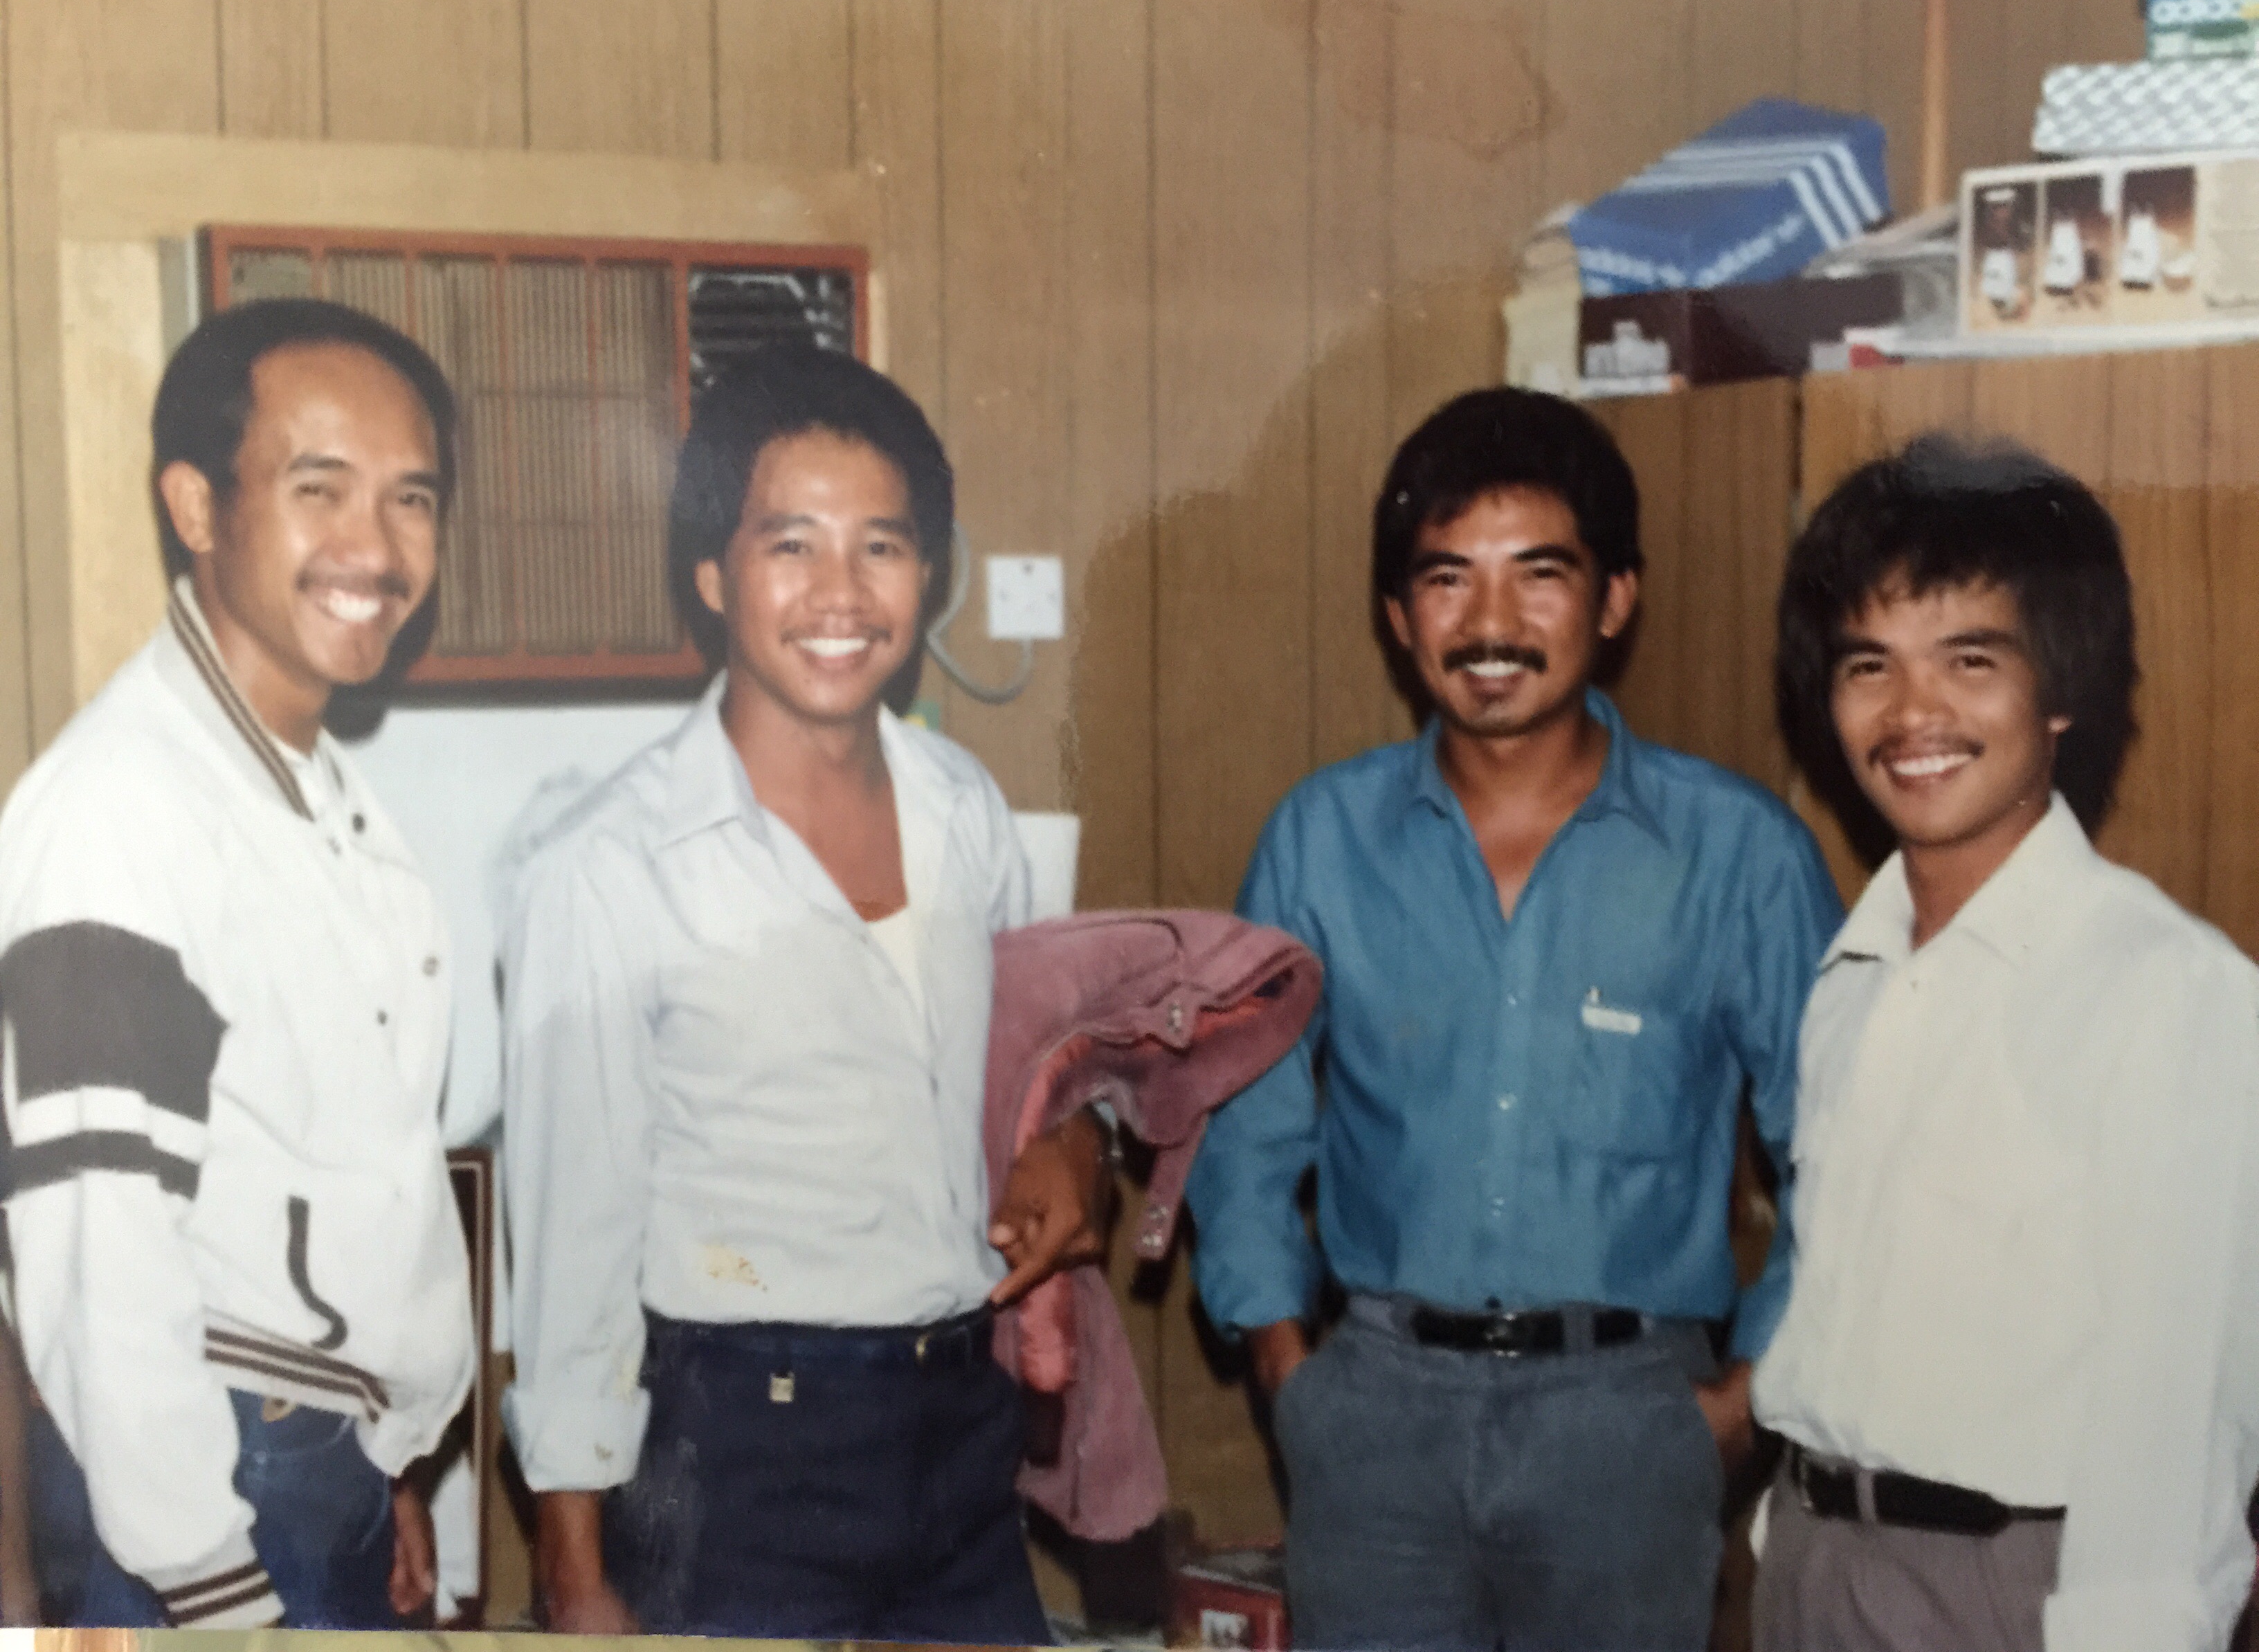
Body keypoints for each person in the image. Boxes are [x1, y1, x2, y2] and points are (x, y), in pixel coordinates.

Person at [1185, 386, 1844, 1652]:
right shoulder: (1320, 839)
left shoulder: (1739, 855)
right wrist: (1286, 1367)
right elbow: (1245, 1131)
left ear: (1615, 598)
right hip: (1374, 1420)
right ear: (1399, 616)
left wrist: (1746, 1398)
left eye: (1540, 574)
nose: (1491, 624)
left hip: (1629, 1427)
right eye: (1448, 579)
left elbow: (1844, 1148)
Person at [501, 343, 1109, 1643]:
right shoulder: (610, 865)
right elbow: (570, 1242)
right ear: (713, 576)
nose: (842, 593)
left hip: (959, 1429)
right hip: (737, 1449)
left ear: (927, 574)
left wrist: (1079, 1143)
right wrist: (575, 1565)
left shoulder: (964, 809)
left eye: (882, 547)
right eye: (792, 546)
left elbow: (1044, 1064)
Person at [0, 297, 475, 1628]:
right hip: (205, 1495)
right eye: (320, 488)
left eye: (412, 499)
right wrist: (214, 1579)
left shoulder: (306, 786)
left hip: (306, 1459)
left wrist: (382, 1460)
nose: (375, 547)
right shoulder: (121, 808)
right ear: (198, 507)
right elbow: (99, 1248)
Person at [1751, 435, 2259, 1652]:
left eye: (1970, 660)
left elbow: (2177, 1420)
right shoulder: (1850, 982)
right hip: (1812, 1566)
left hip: (2012, 1590)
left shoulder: (2172, 994)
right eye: (1869, 665)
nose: (1913, 713)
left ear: (2061, 689)